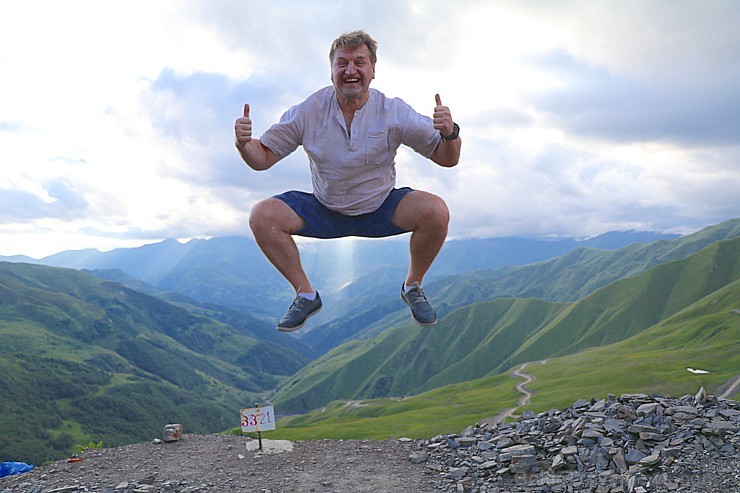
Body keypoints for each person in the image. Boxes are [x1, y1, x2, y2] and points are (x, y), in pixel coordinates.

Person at [234, 30, 461, 332]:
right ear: (331, 71)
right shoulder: (309, 111)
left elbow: (447, 158)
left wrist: (451, 133)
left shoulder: (393, 111)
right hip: (324, 208)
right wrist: (243, 144)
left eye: (359, 62)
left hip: (381, 206)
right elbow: (261, 159)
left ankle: (413, 287)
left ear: (373, 70)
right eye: (342, 63)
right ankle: (305, 294)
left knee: (436, 211)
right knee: (262, 216)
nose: (350, 70)